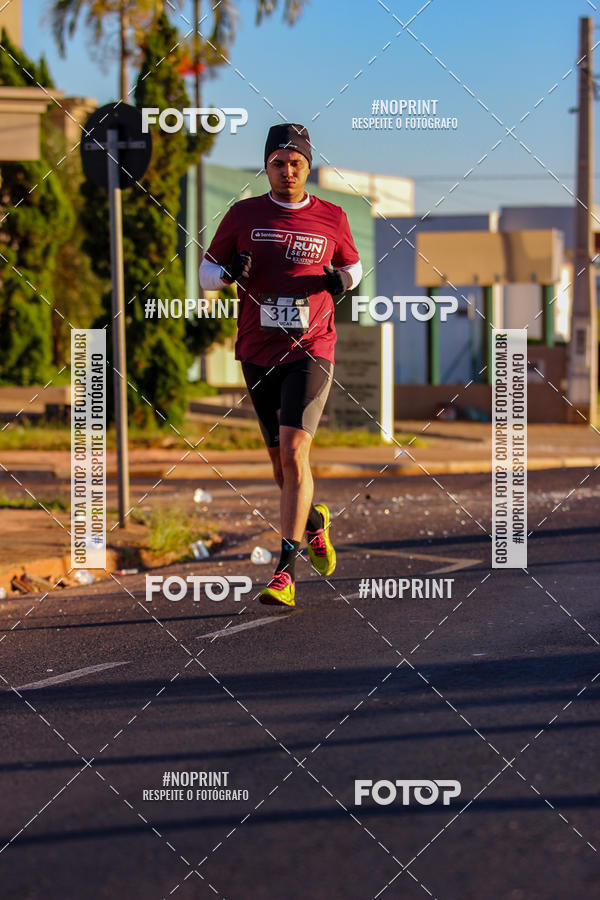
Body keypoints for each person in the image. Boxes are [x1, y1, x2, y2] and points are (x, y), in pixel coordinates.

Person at [199, 123, 362, 607]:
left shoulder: (332, 216)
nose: (287, 171)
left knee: (293, 452)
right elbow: (206, 272)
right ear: (266, 166)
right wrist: (227, 274)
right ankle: (314, 522)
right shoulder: (244, 214)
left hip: (312, 347)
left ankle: (284, 574)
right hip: (257, 349)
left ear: (307, 167)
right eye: (278, 163)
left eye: (296, 163)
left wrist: (342, 282)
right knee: (280, 464)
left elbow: (353, 266)